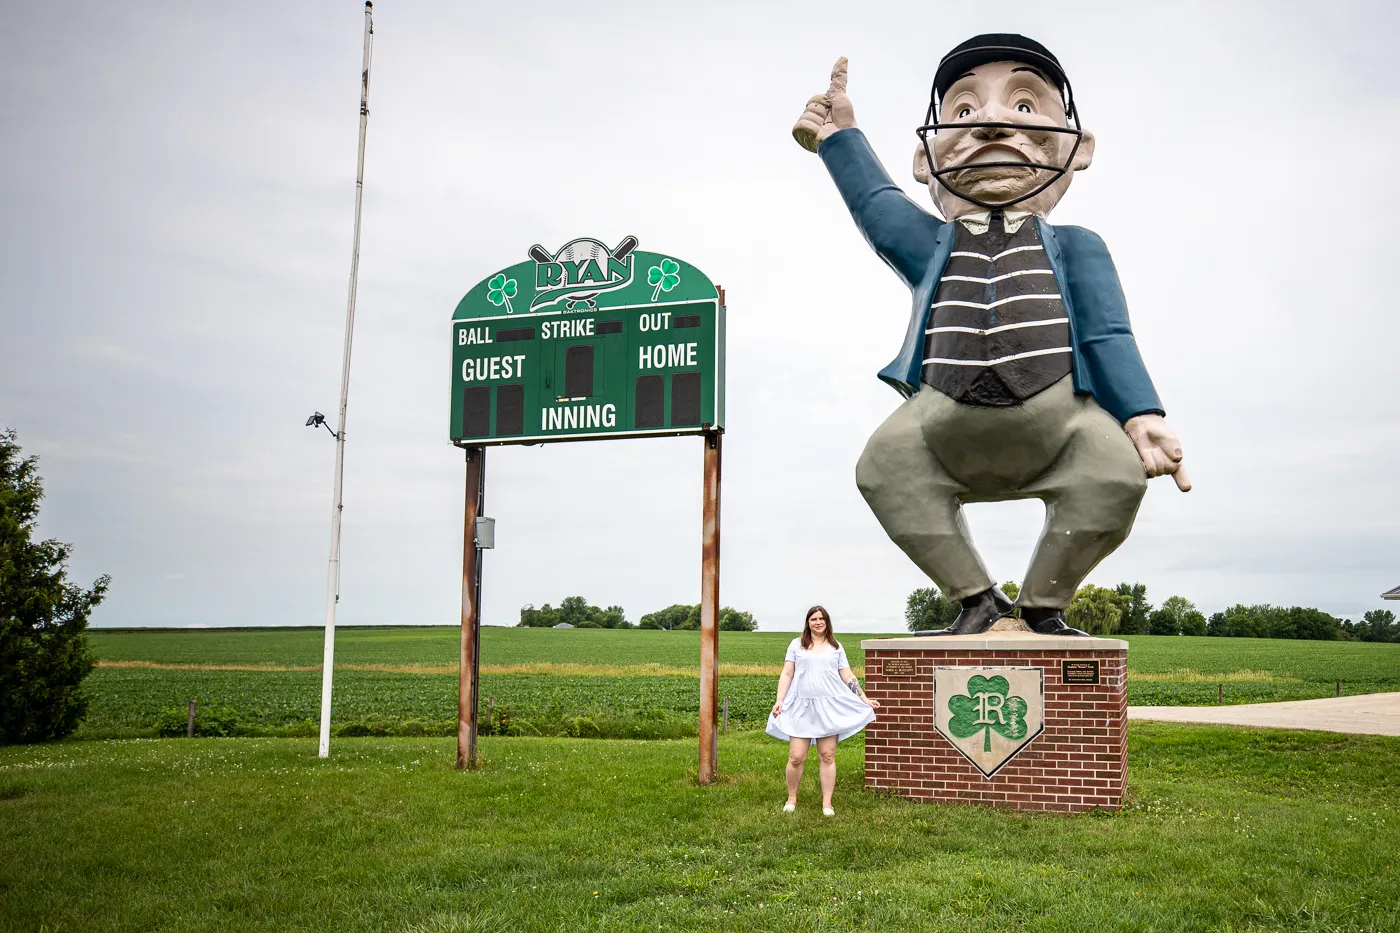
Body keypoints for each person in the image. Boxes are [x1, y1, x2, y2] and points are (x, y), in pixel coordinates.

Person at [790, 36, 1190, 638]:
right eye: (965, 111)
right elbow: (876, 204)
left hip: (1062, 419)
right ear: (926, 160)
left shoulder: (1078, 246)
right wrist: (839, 137)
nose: (994, 125)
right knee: (884, 466)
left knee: (1113, 477)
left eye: (1025, 106)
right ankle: (977, 601)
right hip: (941, 418)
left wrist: (1141, 413)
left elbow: (1108, 333)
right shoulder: (932, 245)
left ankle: (1040, 608)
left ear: (1076, 149)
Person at [767, 606, 880, 815]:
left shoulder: (836, 647)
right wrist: (779, 700)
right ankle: (791, 798)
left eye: (821, 619)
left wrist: (863, 698)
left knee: (827, 755)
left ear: (827, 622)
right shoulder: (796, 645)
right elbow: (787, 674)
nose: (818, 622)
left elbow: (847, 675)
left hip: (829, 708)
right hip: (800, 706)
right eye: (813, 619)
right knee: (796, 756)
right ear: (807, 622)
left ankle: (827, 803)